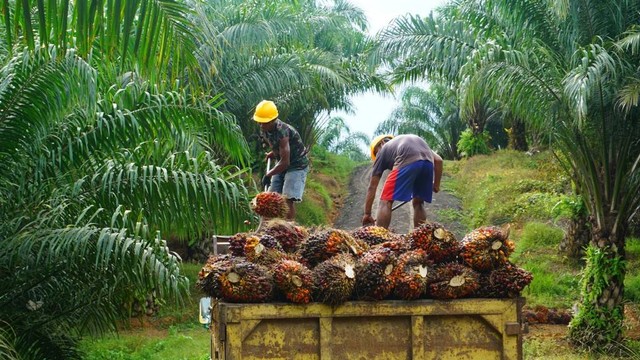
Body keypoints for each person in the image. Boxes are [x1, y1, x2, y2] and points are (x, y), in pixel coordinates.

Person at [362, 134, 443, 229]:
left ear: (381, 144)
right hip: (428, 163)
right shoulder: (407, 141)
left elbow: (372, 186)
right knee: (418, 202)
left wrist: (367, 213)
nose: (377, 156)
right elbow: (438, 160)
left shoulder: (382, 150)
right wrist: (436, 185)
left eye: (376, 153)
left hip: (406, 158)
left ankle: (380, 237)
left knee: (386, 201)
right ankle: (419, 239)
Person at [253, 100, 310, 220]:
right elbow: (277, 147)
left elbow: (286, 161)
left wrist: (269, 174)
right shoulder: (264, 129)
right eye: (260, 122)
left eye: (264, 122)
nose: (261, 125)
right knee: (272, 198)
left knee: (287, 198)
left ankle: (288, 229)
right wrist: (272, 154)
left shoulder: (282, 132)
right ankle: (270, 230)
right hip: (282, 163)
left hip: (296, 165)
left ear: (272, 120)